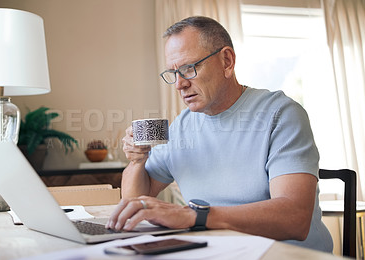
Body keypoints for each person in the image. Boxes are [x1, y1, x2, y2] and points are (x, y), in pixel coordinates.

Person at [106, 16, 333, 252]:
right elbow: (135, 205)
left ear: (227, 61)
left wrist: (194, 216)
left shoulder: (280, 114)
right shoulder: (181, 126)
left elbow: (294, 218)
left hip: (287, 255)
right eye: (173, 73)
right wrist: (137, 160)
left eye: (189, 68)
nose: (179, 84)